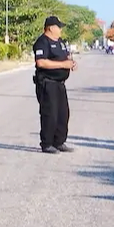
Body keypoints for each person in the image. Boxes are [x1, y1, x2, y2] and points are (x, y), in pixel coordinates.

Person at [32, 16, 77, 154]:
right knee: (49, 114)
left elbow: (65, 56)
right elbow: (41, 62)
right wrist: (63, 64)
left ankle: (59, 141)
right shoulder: (42, 42)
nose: (61, 29)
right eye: (59, 27)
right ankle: (47, 143)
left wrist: (71, 63)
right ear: (51, 28)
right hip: (47, 83)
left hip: (60, 83)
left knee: (63, 113)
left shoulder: (60, 42)